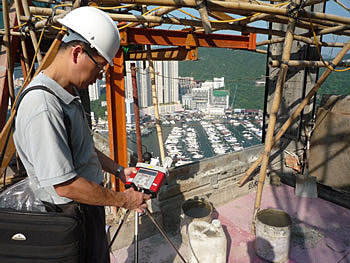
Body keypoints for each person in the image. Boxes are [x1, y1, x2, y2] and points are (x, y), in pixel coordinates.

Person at [13, 6, 150, 263]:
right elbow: (65, 185)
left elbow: (81, 147)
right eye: (99, 68)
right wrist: (124, 200)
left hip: (86, 206)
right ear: (77, 52)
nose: (98, 77)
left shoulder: (66, 93)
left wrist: (118, 170)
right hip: (69, 214)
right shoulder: (43, 105)